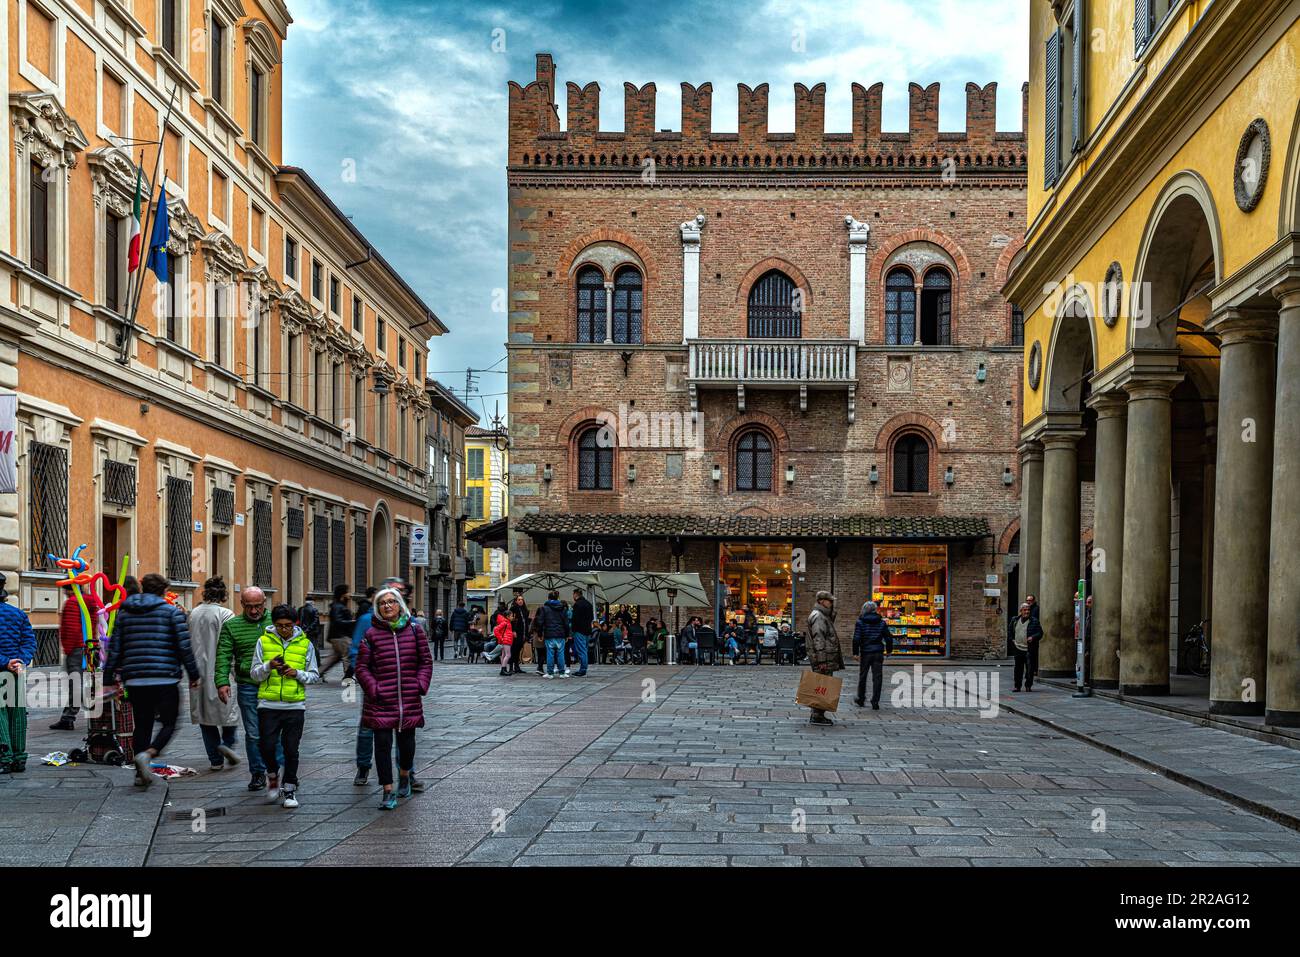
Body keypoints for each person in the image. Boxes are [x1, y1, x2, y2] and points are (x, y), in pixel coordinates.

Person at [103, 573, 200, 787]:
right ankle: (148, 754)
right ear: (164, 591)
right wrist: (194, 674)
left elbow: (115, 647)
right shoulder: (171, 613)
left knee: (142, 724)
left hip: (135, 679)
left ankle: (140, 774)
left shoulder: (125, 613)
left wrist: (108, 677)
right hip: (164, 678)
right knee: (169, 722)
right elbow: (184, 647)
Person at [355, 587, 432, 809]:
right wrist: (374, 689)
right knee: (382, 745)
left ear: (400, 605)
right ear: (377, 608)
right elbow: (361, 668)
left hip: (408, 698)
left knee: (407, 745)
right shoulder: (371, 634)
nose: (387, 606)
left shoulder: (415, 631)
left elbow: (425, 662)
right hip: (380, 700)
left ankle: (405, 775)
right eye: (382, 603)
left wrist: (420, 684)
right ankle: (387, 790)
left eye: (391, 602)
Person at [250, 604, 319, 809]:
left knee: (291, 749)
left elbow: (314, 675)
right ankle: (272, 775)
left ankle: (289, 788)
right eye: (280, 626)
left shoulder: (306, 644)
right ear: (274, 624)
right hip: (268, 704)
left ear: (295, 624)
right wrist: (269, 666)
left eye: (288, 625)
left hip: (295, 705)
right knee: (266, 745)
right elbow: (254, 673)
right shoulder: (263, 641)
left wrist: (296, 674)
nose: (284, 630)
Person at [216, 586, 280, 791]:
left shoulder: (277, 622)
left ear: (265, 604)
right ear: (242, 605)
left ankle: (276, 770)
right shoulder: (232, 626)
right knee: (253, 733)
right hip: (248, 686)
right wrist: (222, 682)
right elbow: (223, 655)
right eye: (249, 607)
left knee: (275, 732)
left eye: (258, 606)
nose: (254, 611)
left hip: (275, 685)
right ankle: (258, 773)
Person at [189, 577, 240, 771]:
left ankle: (215, 759)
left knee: (204, 716)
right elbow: (230, 644)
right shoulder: (226, 614)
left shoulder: (194, 613)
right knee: (229, 713)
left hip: (198, 671)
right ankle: (226, 745)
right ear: (224, 594)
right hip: (221, 670)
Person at [49, 584, 104, 731]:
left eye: (66, 590)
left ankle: (69, 717)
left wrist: (68, 648)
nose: (65, 593)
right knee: (86, 681)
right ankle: (73, 716)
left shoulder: (73, 602)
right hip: (90, 646)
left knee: (76, 683)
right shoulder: (90, 600)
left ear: (71, 589)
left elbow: (72, 628)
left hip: (77, 648)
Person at [0, 574, 37, 774]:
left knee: (1, 716)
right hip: (16, 673)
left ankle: (4, 757)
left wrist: (5, 662)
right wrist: (19, 661)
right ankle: (19, 758)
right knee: (17, 715)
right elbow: (29, 642)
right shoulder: (19, 615)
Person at [805, 590, 843, 726]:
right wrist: (821, 660)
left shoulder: (822, 615)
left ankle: (818, 714)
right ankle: (817, 715)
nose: (831, 603)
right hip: (823, 657)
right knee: (822, 685)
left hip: (825, 656)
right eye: (829, 601)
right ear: (821, 601)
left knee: (822, 685)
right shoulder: (819, 616)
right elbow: (819, 638)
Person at [852, 601, 892, 710]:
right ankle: (875, 701)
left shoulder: (860, 622)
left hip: (865, 652)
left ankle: (861, 699)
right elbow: (888, 637)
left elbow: (856, 639)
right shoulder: (881, 622)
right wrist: (889, 650)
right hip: (878, 652)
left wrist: (855, 653)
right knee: (877, 677)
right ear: (875, 610)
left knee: (863, 676)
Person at [321, 584, 354, 682]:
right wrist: (352, 622)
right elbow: (337, 621)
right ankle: (348, 677)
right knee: (347, 656)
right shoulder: (337, 606)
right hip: (340, 636)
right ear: (343, 594)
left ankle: (318, 673)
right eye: (347, 592)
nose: (350, 594)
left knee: (334, 658)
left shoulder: (339, 605)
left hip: (337, 635)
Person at [536, 591, 570, 677]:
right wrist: (567, 634)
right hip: (560, 634)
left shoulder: (544, 608)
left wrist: (540, 634)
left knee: (550, 653)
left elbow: (540, 622)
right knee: (560, 653)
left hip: (549, 634)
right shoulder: (563, 608)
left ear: (548, 598)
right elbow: (566, 623)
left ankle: (550, 673)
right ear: (558, 598)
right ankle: (562, 672)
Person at [1011, 602, 1044, 692]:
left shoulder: (1034, 621)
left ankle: (1028, 685)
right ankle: (1017, 686)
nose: (1027, 612)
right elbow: (1010, 632)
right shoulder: (1014, 620)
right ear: (1020, 611)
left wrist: (1033, 637)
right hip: (1018, 648)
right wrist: (1012, 640)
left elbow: (1040, 633)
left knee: (1029, 669)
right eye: (1025, 610)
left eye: (1028, 610)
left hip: (1029, 649)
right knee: (1018, 669)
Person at [570, 588, 594, 676]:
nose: (572, 596)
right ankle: (583, 668)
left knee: (581, 650)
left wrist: (573, 630)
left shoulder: (577, 605)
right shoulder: (589, 604)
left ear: (576, 594)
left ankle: (583, 669)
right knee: (585, 649)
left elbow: (574, 619)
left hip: (579, 630)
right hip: (587, 630)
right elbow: (591, 617)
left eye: (573, 594)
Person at [509, 597, 530, 674]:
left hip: (522, 633)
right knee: (513, 650)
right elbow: (511, 621)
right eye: (519, 600)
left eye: (522, 599)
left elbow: (526, 622)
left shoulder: (524, 610)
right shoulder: (513, 609)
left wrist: (527, 633)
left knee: (518, 650)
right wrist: (513, 630)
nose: (521, 601)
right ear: (516, 601)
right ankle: (511, 667)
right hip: (516, 633)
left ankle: (517, 667)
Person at [493, 608, 514, 676]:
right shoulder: (505, 623)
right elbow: (496, 630)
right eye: (511, 616)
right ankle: (503, 669)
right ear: (507, 616)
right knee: (508, 655)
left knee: (504, 655)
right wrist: (501, 638)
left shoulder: (507, 622)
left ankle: (504, 669)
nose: (512, 617)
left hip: (505, 640)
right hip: (506, 640)